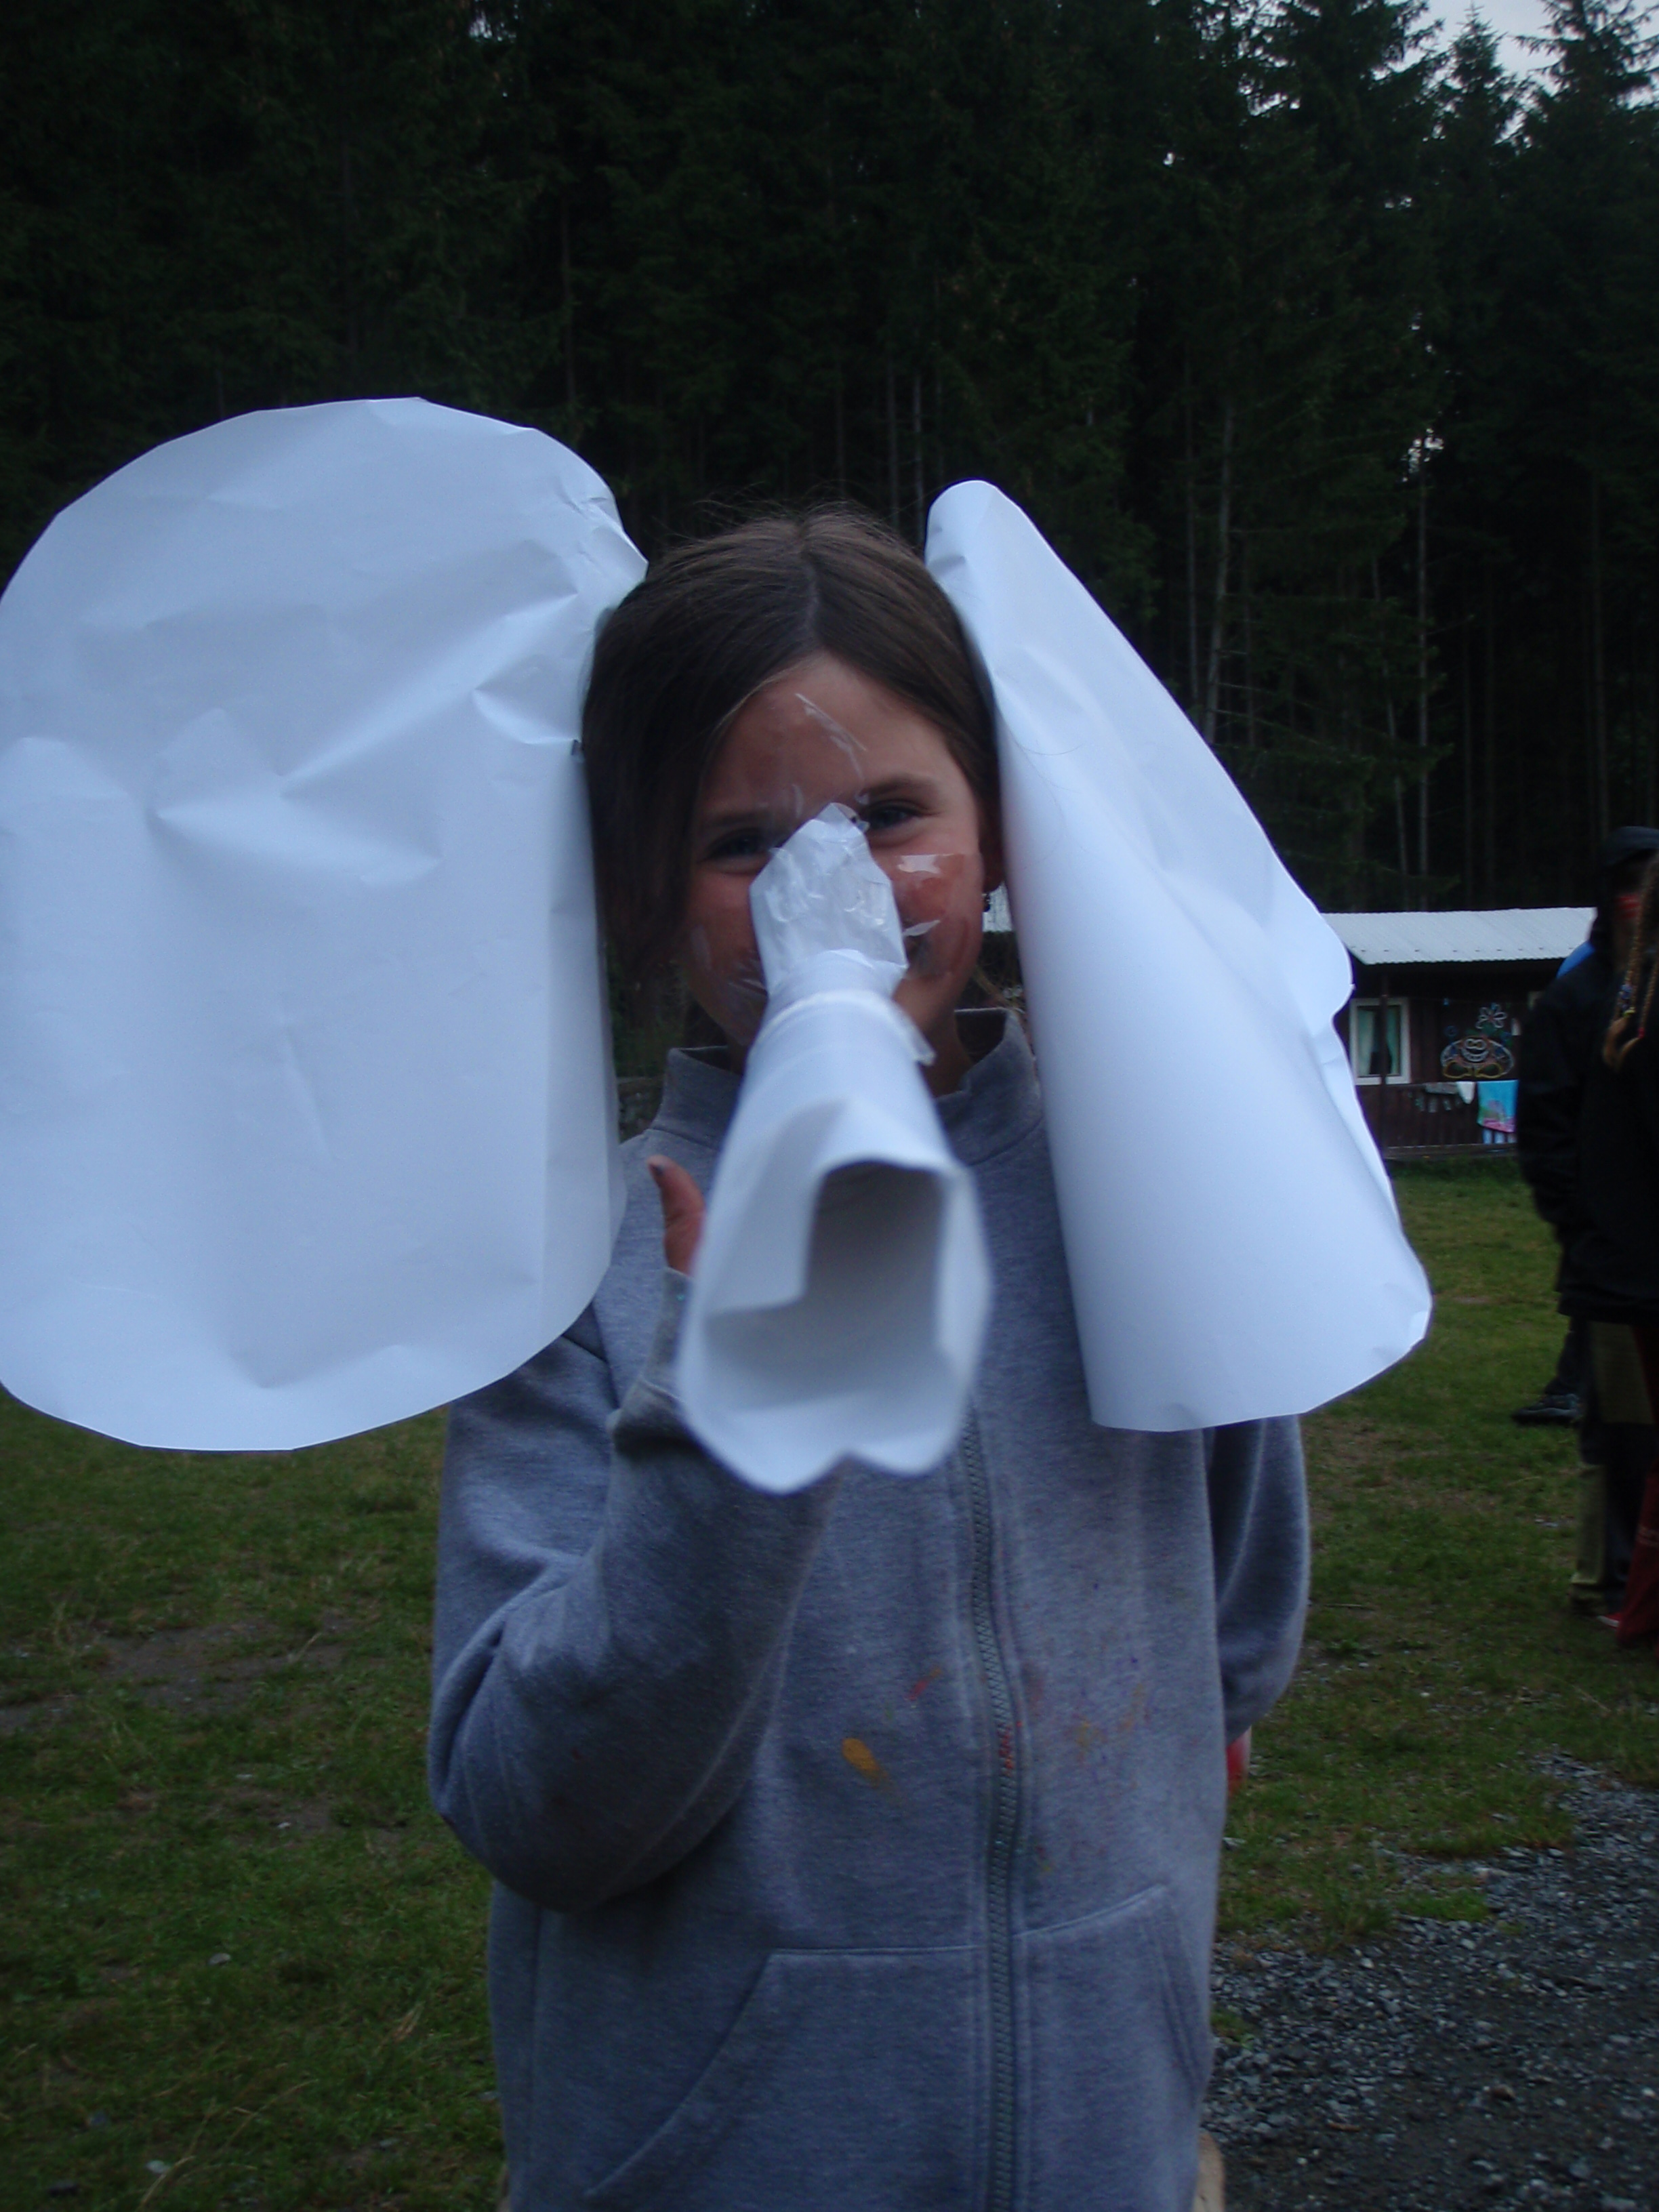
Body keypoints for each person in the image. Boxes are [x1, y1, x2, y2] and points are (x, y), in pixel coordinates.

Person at [426, 510, 1309, 2212]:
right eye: (741, 843)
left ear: (1003, 834)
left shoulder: (1140, 1187)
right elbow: (537, 1810)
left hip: (1104, 2145)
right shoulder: (566, 1269)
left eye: (890, 816)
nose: (825, 889)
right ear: (640, 894)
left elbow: (1237, 1619)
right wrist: (732, 1425)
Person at [1517, 827, 1659, 1610]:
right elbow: (1546, 1132)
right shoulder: (1576, 999)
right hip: (1611, 1261)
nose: (1640, 902)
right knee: (1623, 1430)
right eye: (1627, 885)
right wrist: (1583, 1225)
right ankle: (1607, 1576)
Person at [1559, 851, 1659, 1643]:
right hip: (1634, 1270)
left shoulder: (1633, 1005)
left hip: (1628, 1268)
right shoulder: (1620, 1010)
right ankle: (1626, 1600)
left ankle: (1635, 1605)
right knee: (1631, 1443)